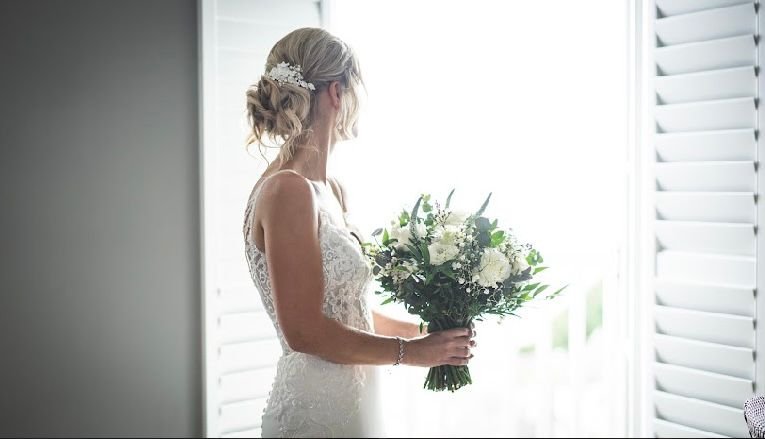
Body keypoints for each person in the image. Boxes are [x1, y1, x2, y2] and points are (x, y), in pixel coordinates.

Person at [242, 27, 476, 438]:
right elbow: (305, 330)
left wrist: (429, 337)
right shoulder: (287, 190)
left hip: (357, 400)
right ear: (336, 92)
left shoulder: (330, 190)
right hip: (317, 409)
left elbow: (348, 311)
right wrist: (412, 355)